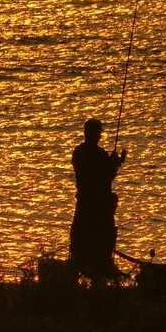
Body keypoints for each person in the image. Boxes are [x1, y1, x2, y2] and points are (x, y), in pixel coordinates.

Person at [69, 117, 127, 279]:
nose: (99, 137)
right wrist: (114, 164)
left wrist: (112, 163)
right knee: (103, 239)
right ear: (94, 134)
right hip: (99, 207)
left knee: (79, 241)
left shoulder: (78, 152)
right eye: (98, 133)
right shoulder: (99, 154)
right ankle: (101, 272)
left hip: (83, 203)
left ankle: (75, 272)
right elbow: (107, 177)